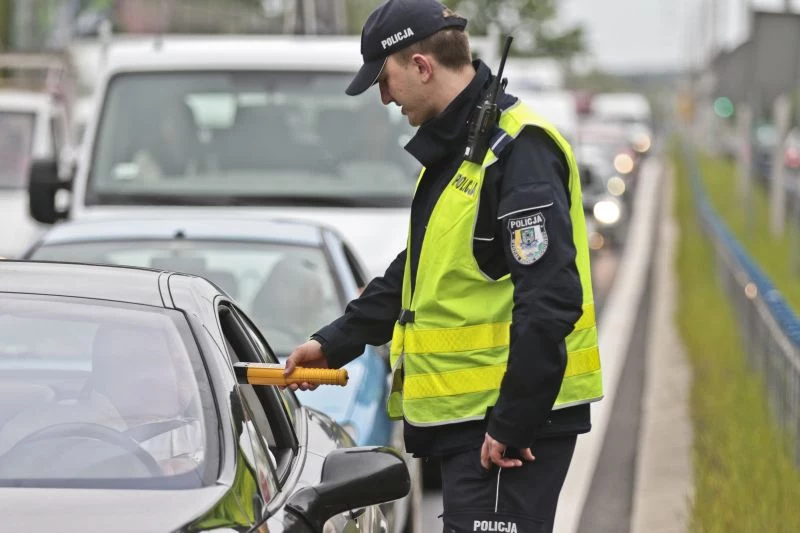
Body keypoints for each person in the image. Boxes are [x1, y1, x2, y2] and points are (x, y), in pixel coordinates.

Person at [283, 1, 603, 531]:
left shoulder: (519, 150)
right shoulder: (462, 151)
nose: (384, 97)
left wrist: (514, 422)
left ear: (422, 67)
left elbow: (550, 300)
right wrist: (336, 340)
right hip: (475, 427)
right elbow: (421, 270)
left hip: (503, 434)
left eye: (384, 80)